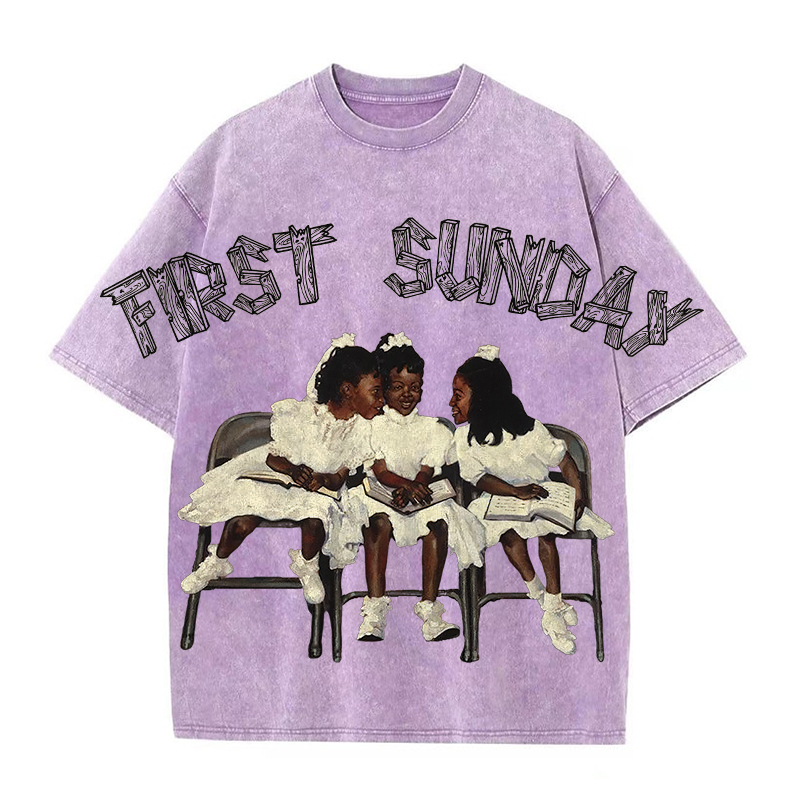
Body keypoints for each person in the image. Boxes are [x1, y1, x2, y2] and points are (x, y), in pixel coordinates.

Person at [178, 333, 384, 604]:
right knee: (241, 523)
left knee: (315, 522)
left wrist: (323, 478)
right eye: (375, 392)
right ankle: (217, 561)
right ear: (348, 391)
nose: (381, 401)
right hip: (277, 479)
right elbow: (273, 459)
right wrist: (293, 470)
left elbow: (338, 479)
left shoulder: (361, 431)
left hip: (314, 494)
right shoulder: (304, 415)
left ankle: (307, 566)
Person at [449, 345, 585, 655]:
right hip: (501, 498)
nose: (451, 403)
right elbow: (478, 479)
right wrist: (513, 492)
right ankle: (539, 592)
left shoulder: (530, 430)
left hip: (540, 494)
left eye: (459, 395)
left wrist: (577, 495)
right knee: (509, 534)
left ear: (483, 399)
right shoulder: (465, 439)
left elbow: (565, 461)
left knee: (545, 532)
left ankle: (553, 604)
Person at [355, 332, 485, 643]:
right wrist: (408, 486)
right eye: (398, 387)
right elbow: (380, 471)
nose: (407, 395)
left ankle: (430, 609)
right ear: (384, 388)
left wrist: (417, 486)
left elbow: (427, 469)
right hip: (381, 496)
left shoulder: (432, 429)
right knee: (377, 524)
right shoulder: (373, 426)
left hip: (417, 496)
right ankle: (375, 610)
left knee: (438, 525)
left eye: (415, 387)